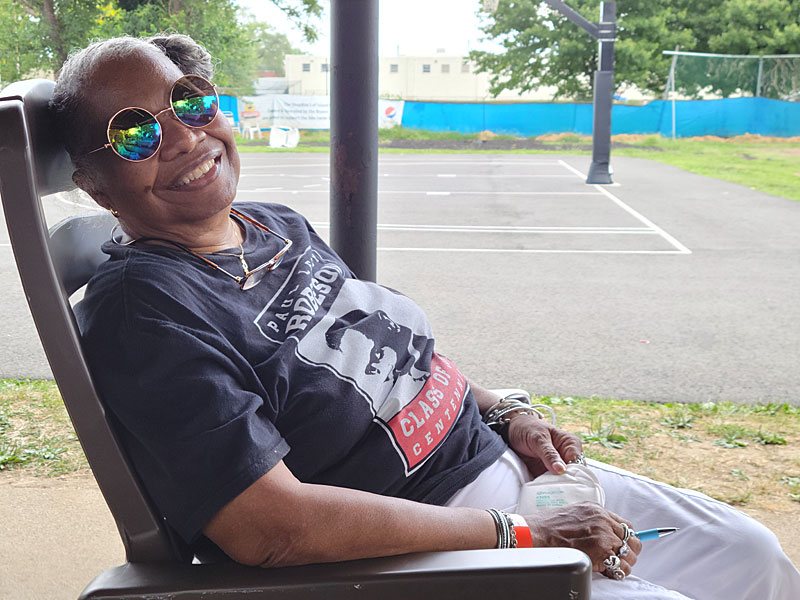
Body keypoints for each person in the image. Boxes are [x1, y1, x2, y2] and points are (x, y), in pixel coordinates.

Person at [50, 34, 800, 600]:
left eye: (188, 100)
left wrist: (503, 411)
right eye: (134, 133)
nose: (182, 136)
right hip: (427, 550)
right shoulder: (144, 311)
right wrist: (521, 535)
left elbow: (384, 357)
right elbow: (268, 530)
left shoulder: (271, 223)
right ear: (95, 184)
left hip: (512, 478)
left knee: (755, 555)